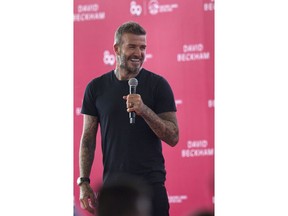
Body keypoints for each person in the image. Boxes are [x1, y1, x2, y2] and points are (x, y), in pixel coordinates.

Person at [77, 21, 179, 216]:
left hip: (151, 186)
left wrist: (144, 110)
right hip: (114, 190)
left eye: (142, 47)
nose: (138, 53)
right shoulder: (96, 88)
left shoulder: (158, 85)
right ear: (116, 48)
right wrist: (84, 181)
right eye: (132, 46)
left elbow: (173, 136)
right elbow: (88, 139)